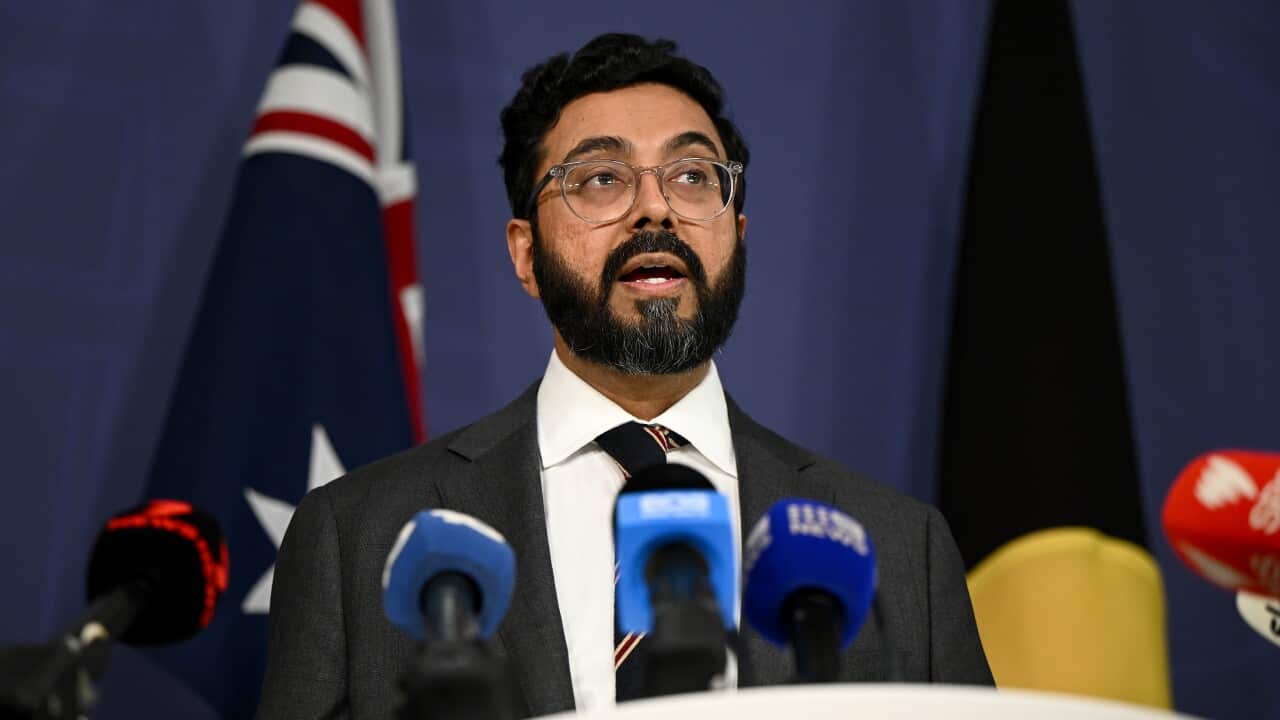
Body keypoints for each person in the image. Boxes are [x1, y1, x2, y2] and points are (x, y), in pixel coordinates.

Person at [257, 33, 992, 719]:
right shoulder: (357, 534)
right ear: (524, 253)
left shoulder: (898, 546)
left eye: (693, 176)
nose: (654, 209)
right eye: (602, 178)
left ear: (736, 233)